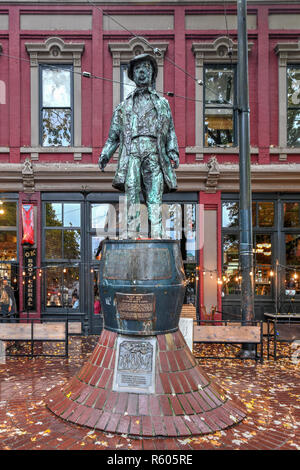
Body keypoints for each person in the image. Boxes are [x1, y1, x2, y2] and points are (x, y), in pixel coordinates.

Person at [98, 53, 179, 239]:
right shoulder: (123, 107)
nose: (142, 72)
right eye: (138, 69)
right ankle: (131, 232)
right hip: (132, 153)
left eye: (146, 68)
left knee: (154, 195)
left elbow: (171, 132)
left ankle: (158, 233)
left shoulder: (162, 104)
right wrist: (105, 155)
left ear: (152, 74)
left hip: (154, 153)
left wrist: (173, 151)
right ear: (133, 75)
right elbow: (113, 137)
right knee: (132, 190)